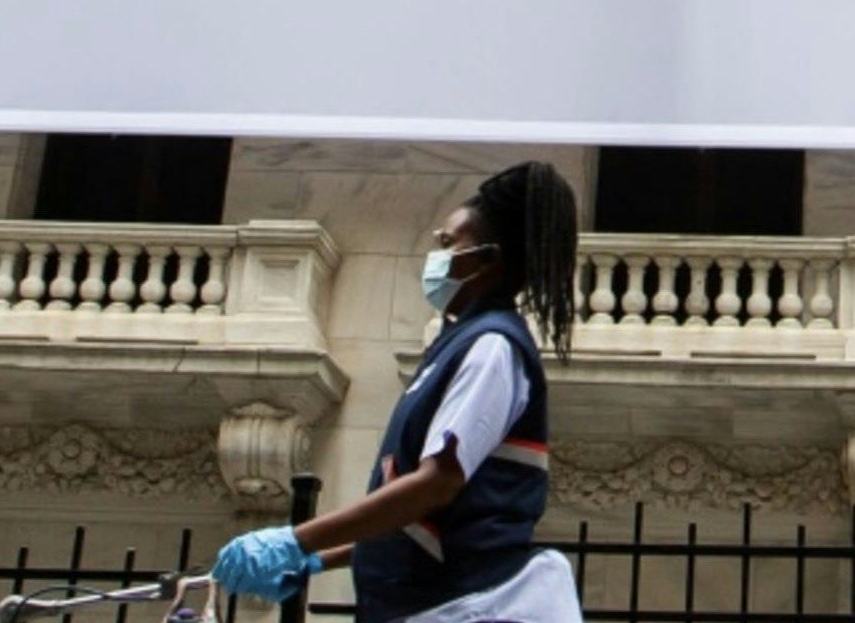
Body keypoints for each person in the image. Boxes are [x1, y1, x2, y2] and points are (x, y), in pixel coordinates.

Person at [213, 164, 584, 623]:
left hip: (475, 605)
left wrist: (297, 540)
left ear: (489, 258)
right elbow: (417, 525)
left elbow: (437, 483)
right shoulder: (457, 344)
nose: (436, 255)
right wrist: (313, 560)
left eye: (449, 244)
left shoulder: (493, 346)